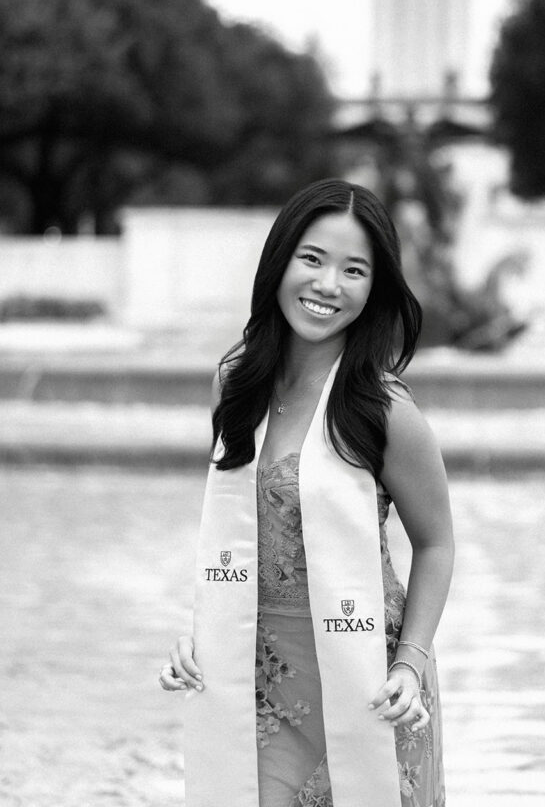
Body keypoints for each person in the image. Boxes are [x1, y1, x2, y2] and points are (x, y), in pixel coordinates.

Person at [159, 178, 454, 807]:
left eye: (354, 270)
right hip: (255, 681)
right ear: (280, 262)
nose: (328, 285)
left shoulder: (382, 409)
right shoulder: (237, 386)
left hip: (365, 677)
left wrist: (409, 662)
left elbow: (435, 543)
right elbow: (235, 534)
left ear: (375, 289)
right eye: (313, 259)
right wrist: (198, 635)